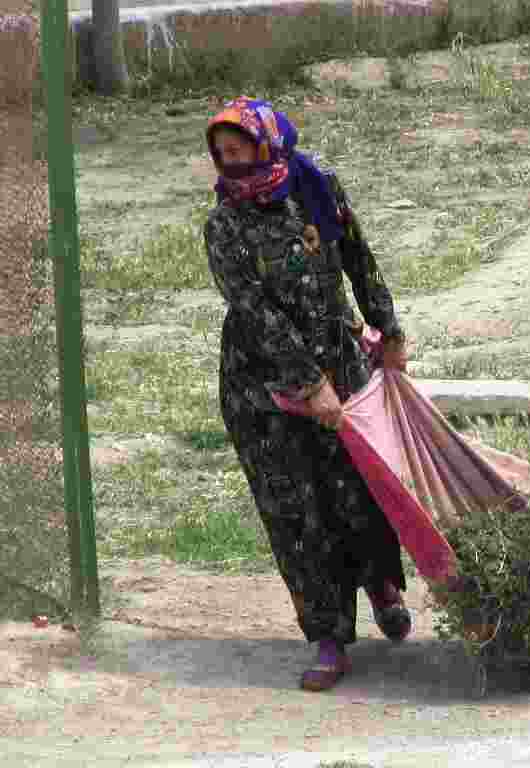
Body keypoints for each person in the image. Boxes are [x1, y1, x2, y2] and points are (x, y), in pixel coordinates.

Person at [203, 97, 411, 692]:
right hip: (264, 390)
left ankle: (382, 589)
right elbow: (256, 313)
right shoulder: (224, 225)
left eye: (238, 151)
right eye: (221, 155)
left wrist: (387, 328)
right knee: (299, 512)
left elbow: (358, 260)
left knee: (361, 489)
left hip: (340, 362)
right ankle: (328, 636)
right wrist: (307, 383)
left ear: (270, 144)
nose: (229, 165)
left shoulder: (315, 187)